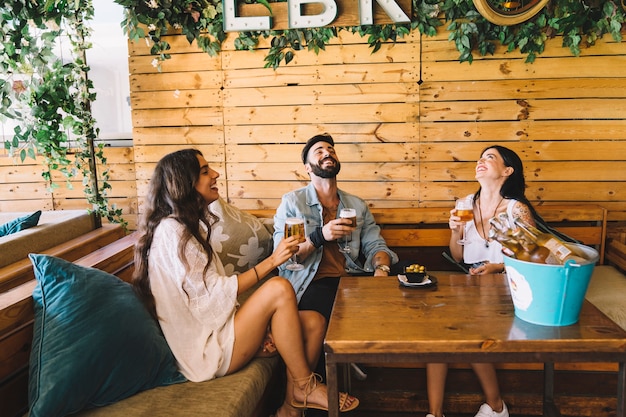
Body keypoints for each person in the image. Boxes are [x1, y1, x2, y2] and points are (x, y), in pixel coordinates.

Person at [132, 149, 358, 417]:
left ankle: (289, 409)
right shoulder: (173, 231)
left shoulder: (186, 226)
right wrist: (273, 261)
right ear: (185, 184)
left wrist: (256, 326)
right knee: (279, 288)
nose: (215, 174)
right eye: (205, 171)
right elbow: (211, 300)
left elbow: (207, 296)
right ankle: (304, 386)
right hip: (205, 350)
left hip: (218, 329)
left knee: (314, 322)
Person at [273, 134, 399, 390]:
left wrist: (382, 269)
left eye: (330, 149)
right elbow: (285, 258)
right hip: (311, 282)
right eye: (318, 151)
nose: (327, 153)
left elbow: (376, 245)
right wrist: (321, 235)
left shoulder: (356, 205)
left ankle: (349, 357)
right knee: (331, 307)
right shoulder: (292, 203)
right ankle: (330, 380)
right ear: (308, 168)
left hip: (352, 278)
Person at [427, 145, 537, 417]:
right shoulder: (465, 204)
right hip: (472, 290)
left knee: (468, 330)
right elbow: (458, 255)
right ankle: (435, 413)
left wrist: (498, 268)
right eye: (480, 157)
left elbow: (535, 258)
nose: (481, 161)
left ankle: (497, 406)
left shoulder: (516, 210)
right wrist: (454, 232)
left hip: (506, 291)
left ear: (507, 171)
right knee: (435, 333)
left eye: (490, 157)